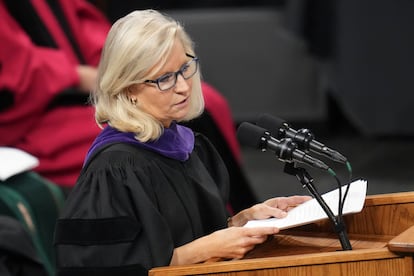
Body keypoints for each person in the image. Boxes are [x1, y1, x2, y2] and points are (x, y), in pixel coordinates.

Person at [53, 9, 311, 274]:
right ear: (128, 89)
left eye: (184, 68)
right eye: (165, 78)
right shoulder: (114, 169)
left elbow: (191, 232)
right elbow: (99, 268)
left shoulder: (187, 146)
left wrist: (242, 222)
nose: (184, 87)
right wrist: (201, 252)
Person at [0, 0, 256, 211]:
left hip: (73, 92)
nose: (182, 85)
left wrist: (123, 60)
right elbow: (12, 67)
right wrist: (77, 75)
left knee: (206, 103)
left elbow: (86, 29)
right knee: (165, 121)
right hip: (31, 117)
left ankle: (232, 215)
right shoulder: (112, 162)